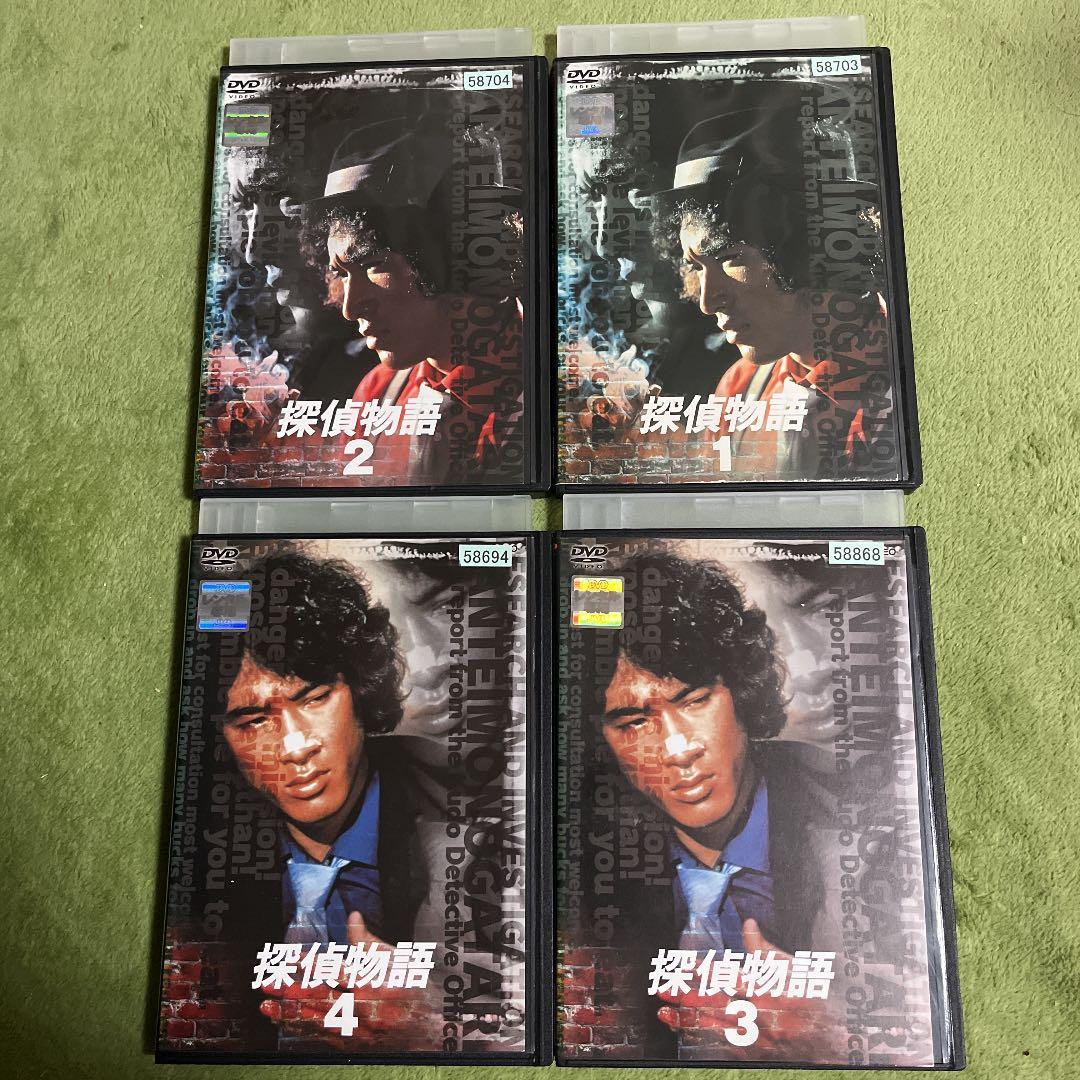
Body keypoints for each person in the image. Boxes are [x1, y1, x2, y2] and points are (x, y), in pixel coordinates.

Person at [571, 549, 855, 1062]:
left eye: (695, 700)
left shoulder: (856, 816)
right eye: (633, 723)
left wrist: (836, 1039)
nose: (677, 749)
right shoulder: (581, 856)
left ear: (742, 693)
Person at [197, 546, 467, 1050]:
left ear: (362, 692)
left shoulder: (472, 814)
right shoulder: (203, 854)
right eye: (253, 721)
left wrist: (437, 1029)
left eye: (316, 698)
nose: (295, 746)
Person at [652, 85, 893, 480]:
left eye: (729, 258)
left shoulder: (902, 380)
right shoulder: (739, 387)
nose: (708, 301)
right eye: (696, 266)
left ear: (805, 248)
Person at [301, 113, 527, 486]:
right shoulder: (376, 393)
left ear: (450, 255)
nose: (351, 308)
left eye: (373, 265)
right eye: (342, 273)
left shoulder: (567, 390)